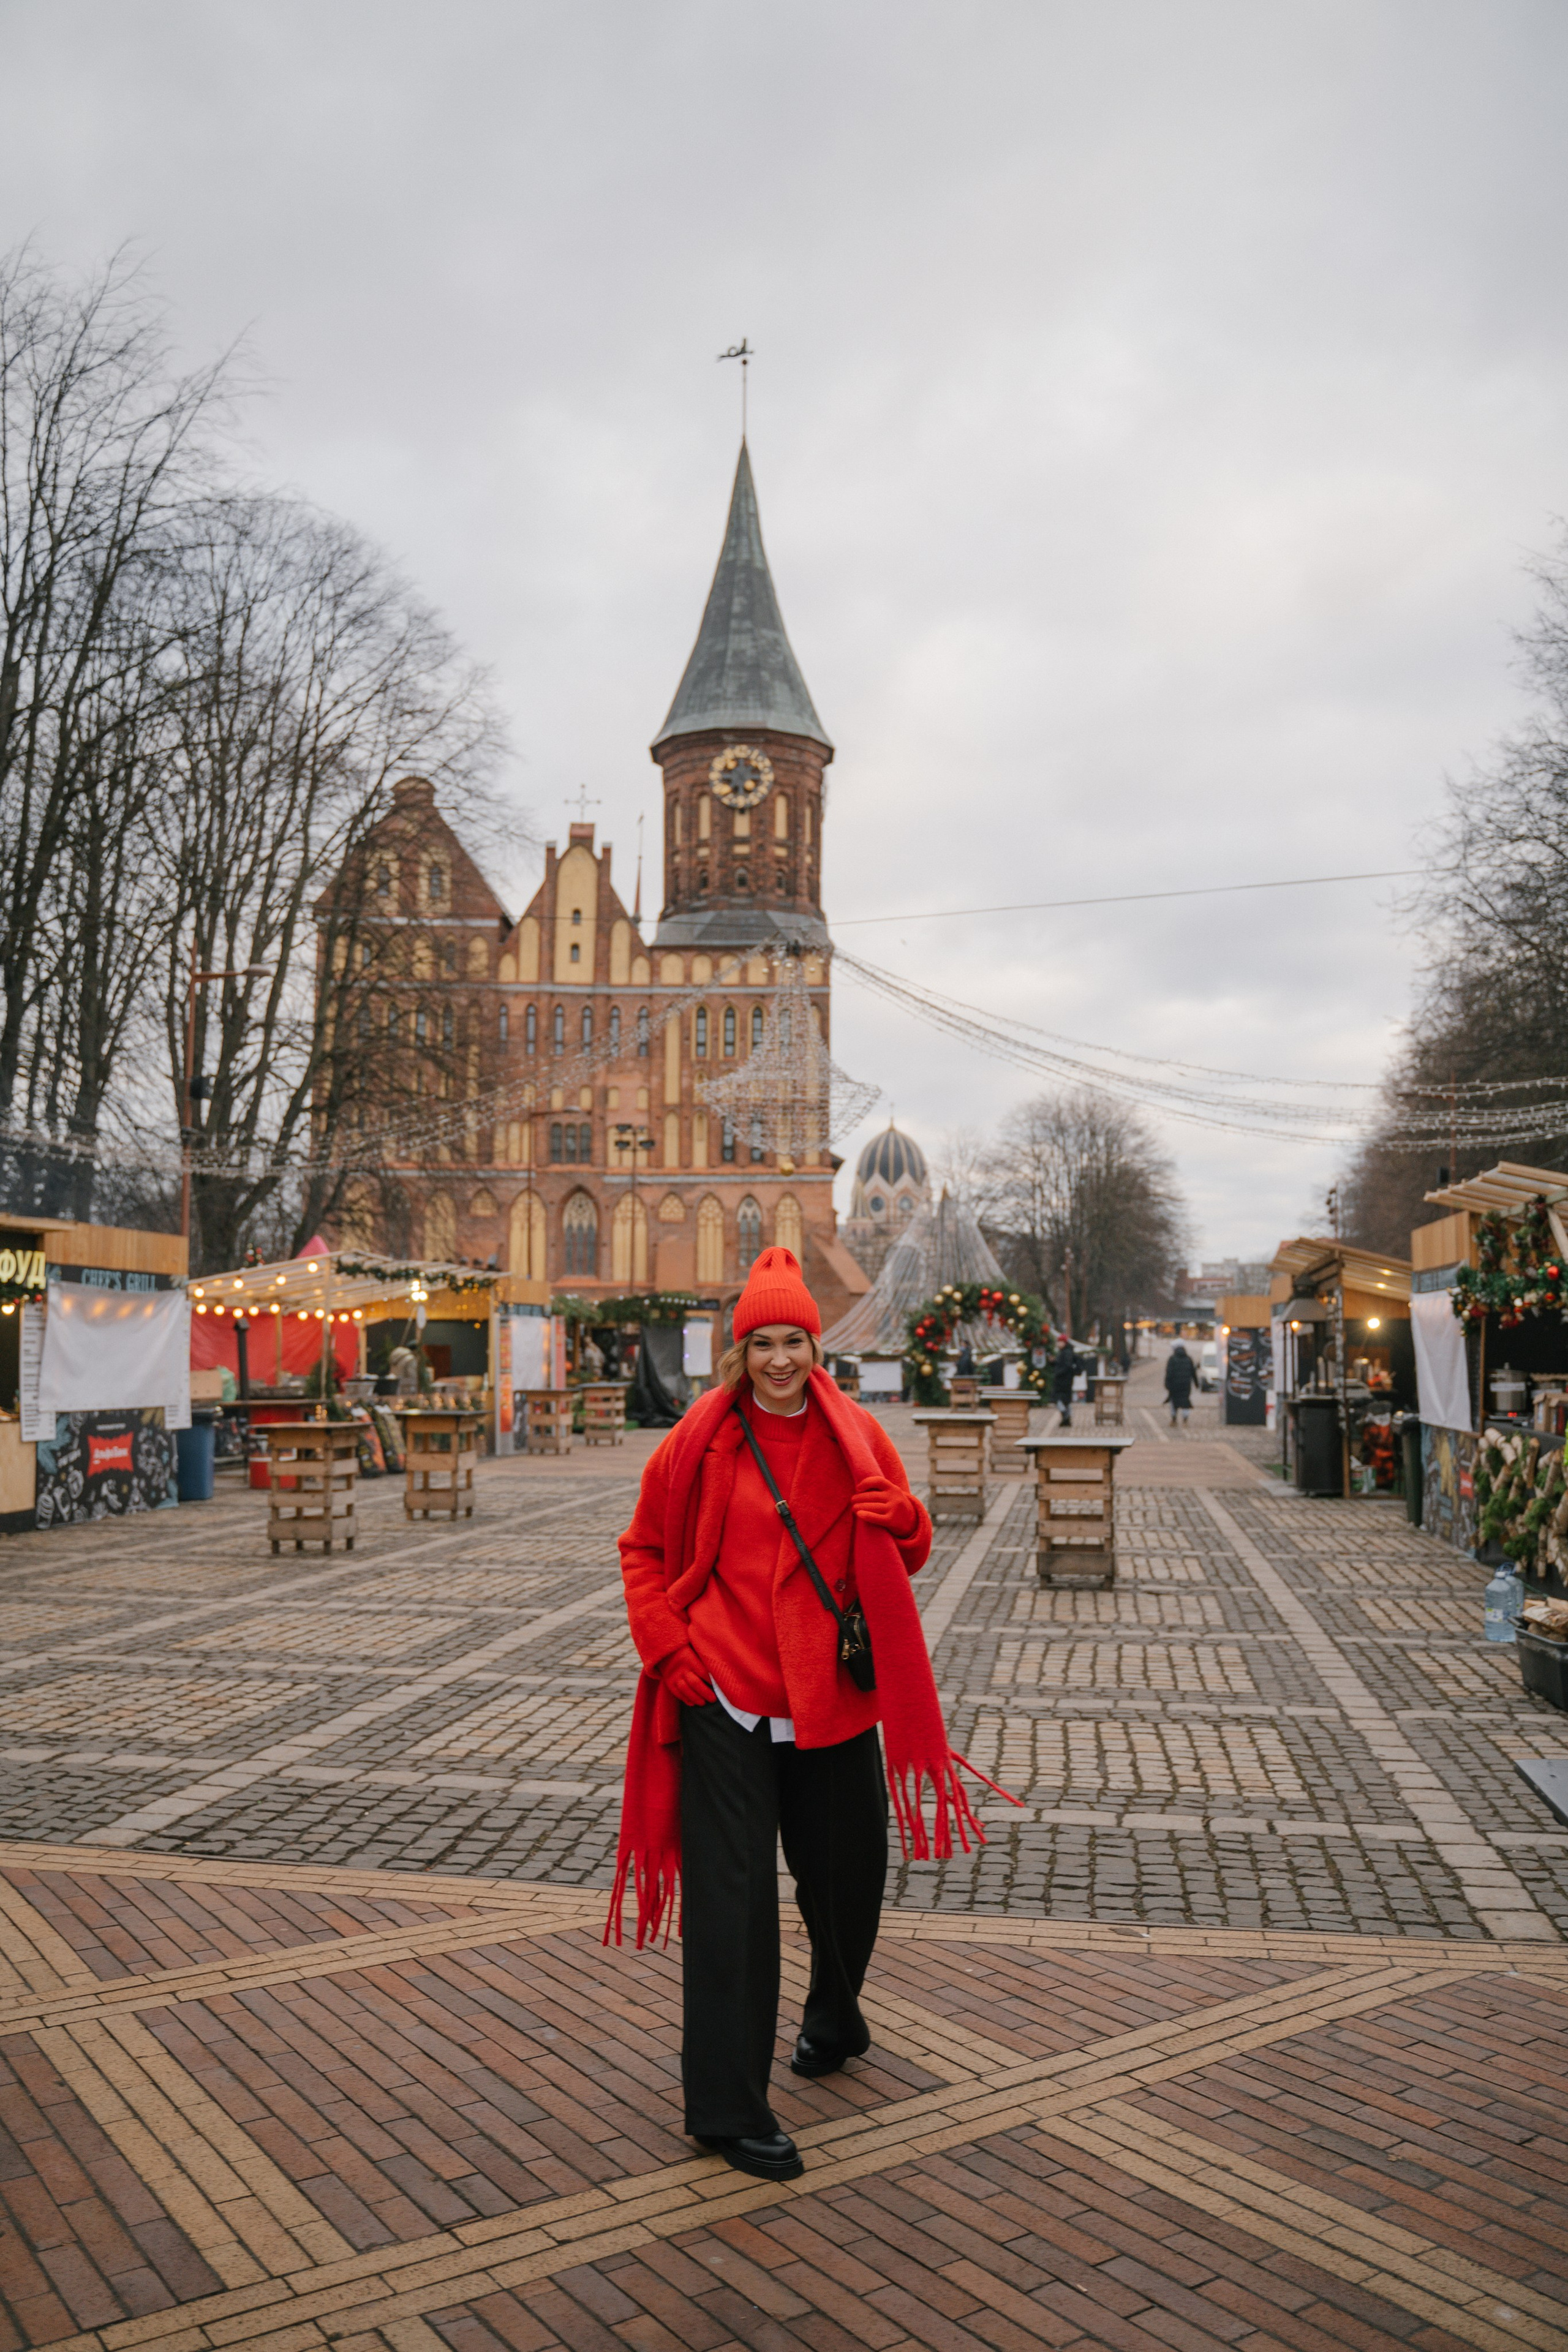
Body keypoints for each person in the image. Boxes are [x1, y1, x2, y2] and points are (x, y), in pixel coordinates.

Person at [608, 1246, 994, 2187]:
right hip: (724, 1697)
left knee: (846, 1880)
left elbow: (908, 1544)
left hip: (830, 1699)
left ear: (818, 1347)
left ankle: (834, 2012)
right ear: (737, 1352)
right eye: (761, 1343)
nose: (779, 1358)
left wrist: (902, 1518)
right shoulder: (696, 1440)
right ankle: (728, 2109)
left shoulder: (857, 1432)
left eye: (794, 1341)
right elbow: (643, 1550)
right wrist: (671, 1649)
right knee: (733, 1912)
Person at [1165, 1341, 1197, 1427]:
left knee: (1174, 1402)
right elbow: (1193, 1373)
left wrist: (1167, 1384)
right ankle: (1185, 1421)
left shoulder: (1172, 1359)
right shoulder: (1188, 1359)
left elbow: (1169, 1373)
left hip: (1174, 1386)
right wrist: (1196, 1384)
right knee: (1185, 1402)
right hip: (1186, 1386)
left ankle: (1174, 1420)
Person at [1052, 1341, 1077, 1427]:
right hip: (1066, 1380)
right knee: (1066, 1400)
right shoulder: (1066, 1352)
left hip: (1063, 1380)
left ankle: (1065, 1415)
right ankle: (1066, 1418)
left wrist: (1058, 1373)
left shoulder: (1066, 1353)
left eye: (1060, 1342)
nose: (1058, 1344)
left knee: (1058, 1398)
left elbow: (1066, 1366)